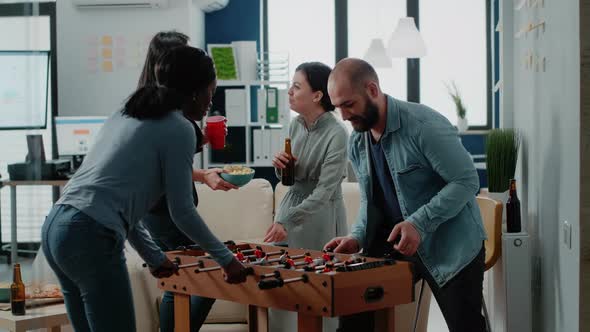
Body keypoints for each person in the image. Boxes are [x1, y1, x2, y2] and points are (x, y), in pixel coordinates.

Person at [41, 46, 248, 332]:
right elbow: (182, 211)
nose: (210, 102)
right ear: (194, 91)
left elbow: (123, 207)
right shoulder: (179, 127)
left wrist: (154, 257)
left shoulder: (126, 113)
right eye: (210, 92)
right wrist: (226, 260)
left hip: (56, 226)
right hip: (88, 234)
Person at [324, 58, 487, 332]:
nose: (344, 116)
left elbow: (467, 180)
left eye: (349, 104)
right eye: (337, 107)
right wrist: (357, 236)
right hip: (396, 245)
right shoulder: (357, 141)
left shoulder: (424, 126)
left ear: (373, 90)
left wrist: (418, 223)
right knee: (353, 319)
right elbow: (370, 200)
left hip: (451, 247)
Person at [137, 31, 237, 332]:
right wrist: (224, 257)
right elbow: (179, 207)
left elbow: (162, 167)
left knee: (180, 282)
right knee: (197, 278)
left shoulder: (151, 110)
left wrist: (202, 170)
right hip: (162, 214)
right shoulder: (165, 118)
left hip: (153, 214)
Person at [265, 62, 349, 332]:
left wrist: (286, 220)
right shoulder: (295, 125)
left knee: (319, 292)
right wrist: (281, 169)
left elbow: (324, 193)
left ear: (317, 95)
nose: (289, 91)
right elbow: (291, 180)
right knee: (282, 287)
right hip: (290, 209)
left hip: (321, 216)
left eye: (297, 86)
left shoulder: (337, 133)